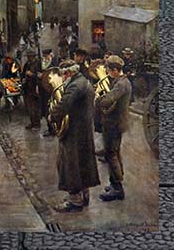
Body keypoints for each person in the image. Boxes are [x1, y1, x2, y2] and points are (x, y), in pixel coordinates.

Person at [50, 60, 99, 212]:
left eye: (63, 75)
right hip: (84, 130)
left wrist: (52, 114)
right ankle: (84, 195)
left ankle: (74, 200)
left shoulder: (74, 86)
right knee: (84, 162)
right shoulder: (84, 81)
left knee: (70, 164)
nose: (62, 78)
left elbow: (64, 105)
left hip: (74, 131)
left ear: (69, 73)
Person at [95, 55, 132, 202]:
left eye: (109, 70)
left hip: (114, 124)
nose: (107, 73)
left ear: (116, 70)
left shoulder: (121, 84)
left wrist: (98, 97)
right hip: (114, 123)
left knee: (111, 154)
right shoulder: (119, 81)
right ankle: (114, 183)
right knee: (114, 152)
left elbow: (107, 101)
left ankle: (117, 189)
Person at [22, 56, 43, 131]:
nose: (29, 58)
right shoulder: (27, 64)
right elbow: (24, 73)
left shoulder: (38, 64)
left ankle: (37, 124)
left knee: (35, 108)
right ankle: (32, 122)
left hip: (35, 88)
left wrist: (32, 74)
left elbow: (40, 76)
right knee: (29, 107)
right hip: (28, 88)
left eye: (30, 56)